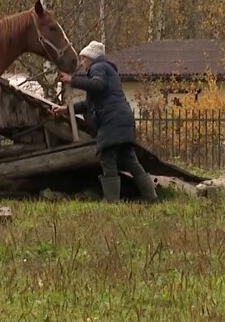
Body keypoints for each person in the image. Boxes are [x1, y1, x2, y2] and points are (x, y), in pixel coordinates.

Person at [50, 40, 158, 204]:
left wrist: (73, 80)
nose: (83, 63)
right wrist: (67, 109)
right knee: (130, 161)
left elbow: (97, 85)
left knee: (108, 159)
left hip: (111, 121)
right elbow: (90, 103)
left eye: (84, 59)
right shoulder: (108, 70)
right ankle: (151, 199)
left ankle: (112, 202)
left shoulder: (98, 68)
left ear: (91, 58)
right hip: (122, 119)